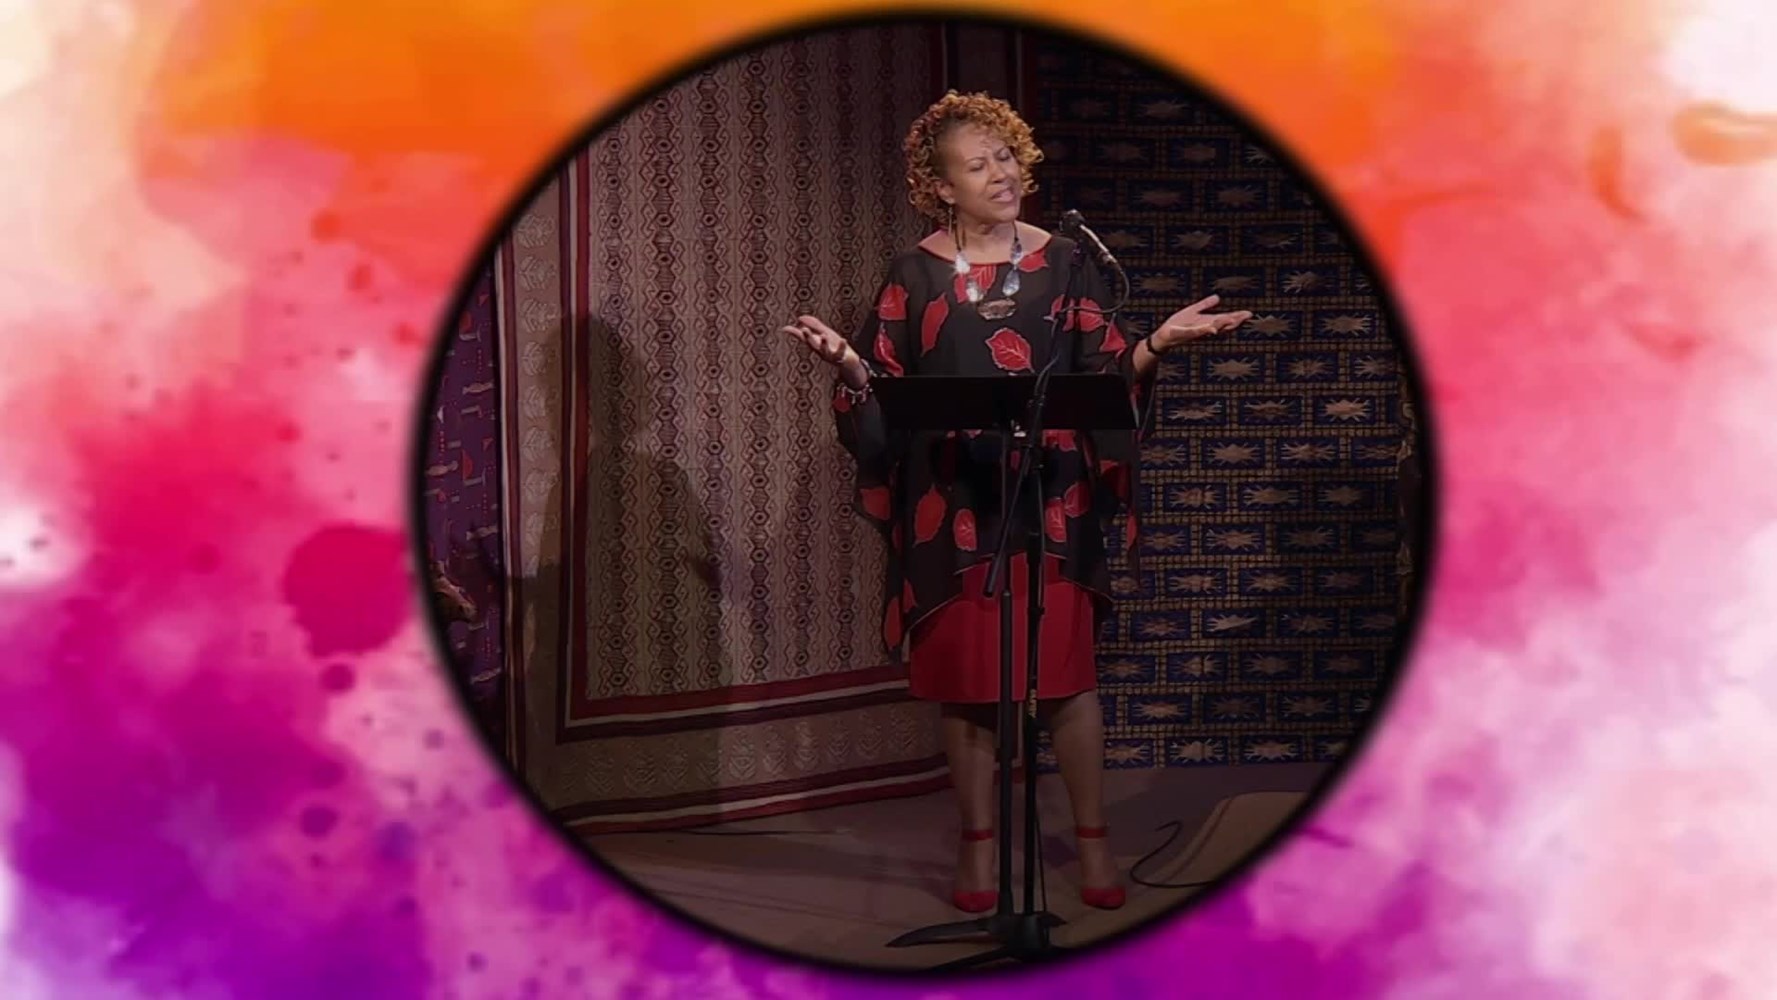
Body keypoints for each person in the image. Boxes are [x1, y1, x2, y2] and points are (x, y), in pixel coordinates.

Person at [782, 91, 1249, 913]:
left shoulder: (1065, 261)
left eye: (1005, 156)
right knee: (969, 687)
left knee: (1064, 679)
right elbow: (883, 391)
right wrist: (851, 369)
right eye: (978, 165)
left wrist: (1154, 345)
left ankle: (1093, 842)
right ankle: (977, 848)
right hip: (954, 504)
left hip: (1052, 500)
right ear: (941, 187)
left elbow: (1104, 377)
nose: (1001, 174)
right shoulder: (912, 273)